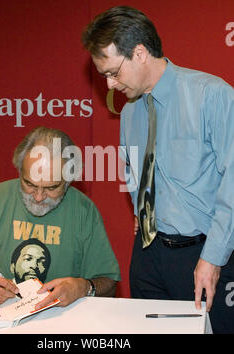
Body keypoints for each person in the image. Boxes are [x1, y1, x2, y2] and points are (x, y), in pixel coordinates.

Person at [82, 6, 234, 333]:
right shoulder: (130, 111)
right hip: (149, 254)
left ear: (139, 53)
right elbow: (137, 173)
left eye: (112, 71)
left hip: (204, 255)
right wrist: (143, 214)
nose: (108, 85)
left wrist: (213, 257)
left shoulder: (211, 95)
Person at [0, 126, 121, 310]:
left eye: (51, 188)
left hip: (61, 321)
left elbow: (109, 283)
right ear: (19, 172)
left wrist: (84, 287)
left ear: (69, 180)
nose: (39, 197)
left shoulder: (84, 210)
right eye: (29, 184)